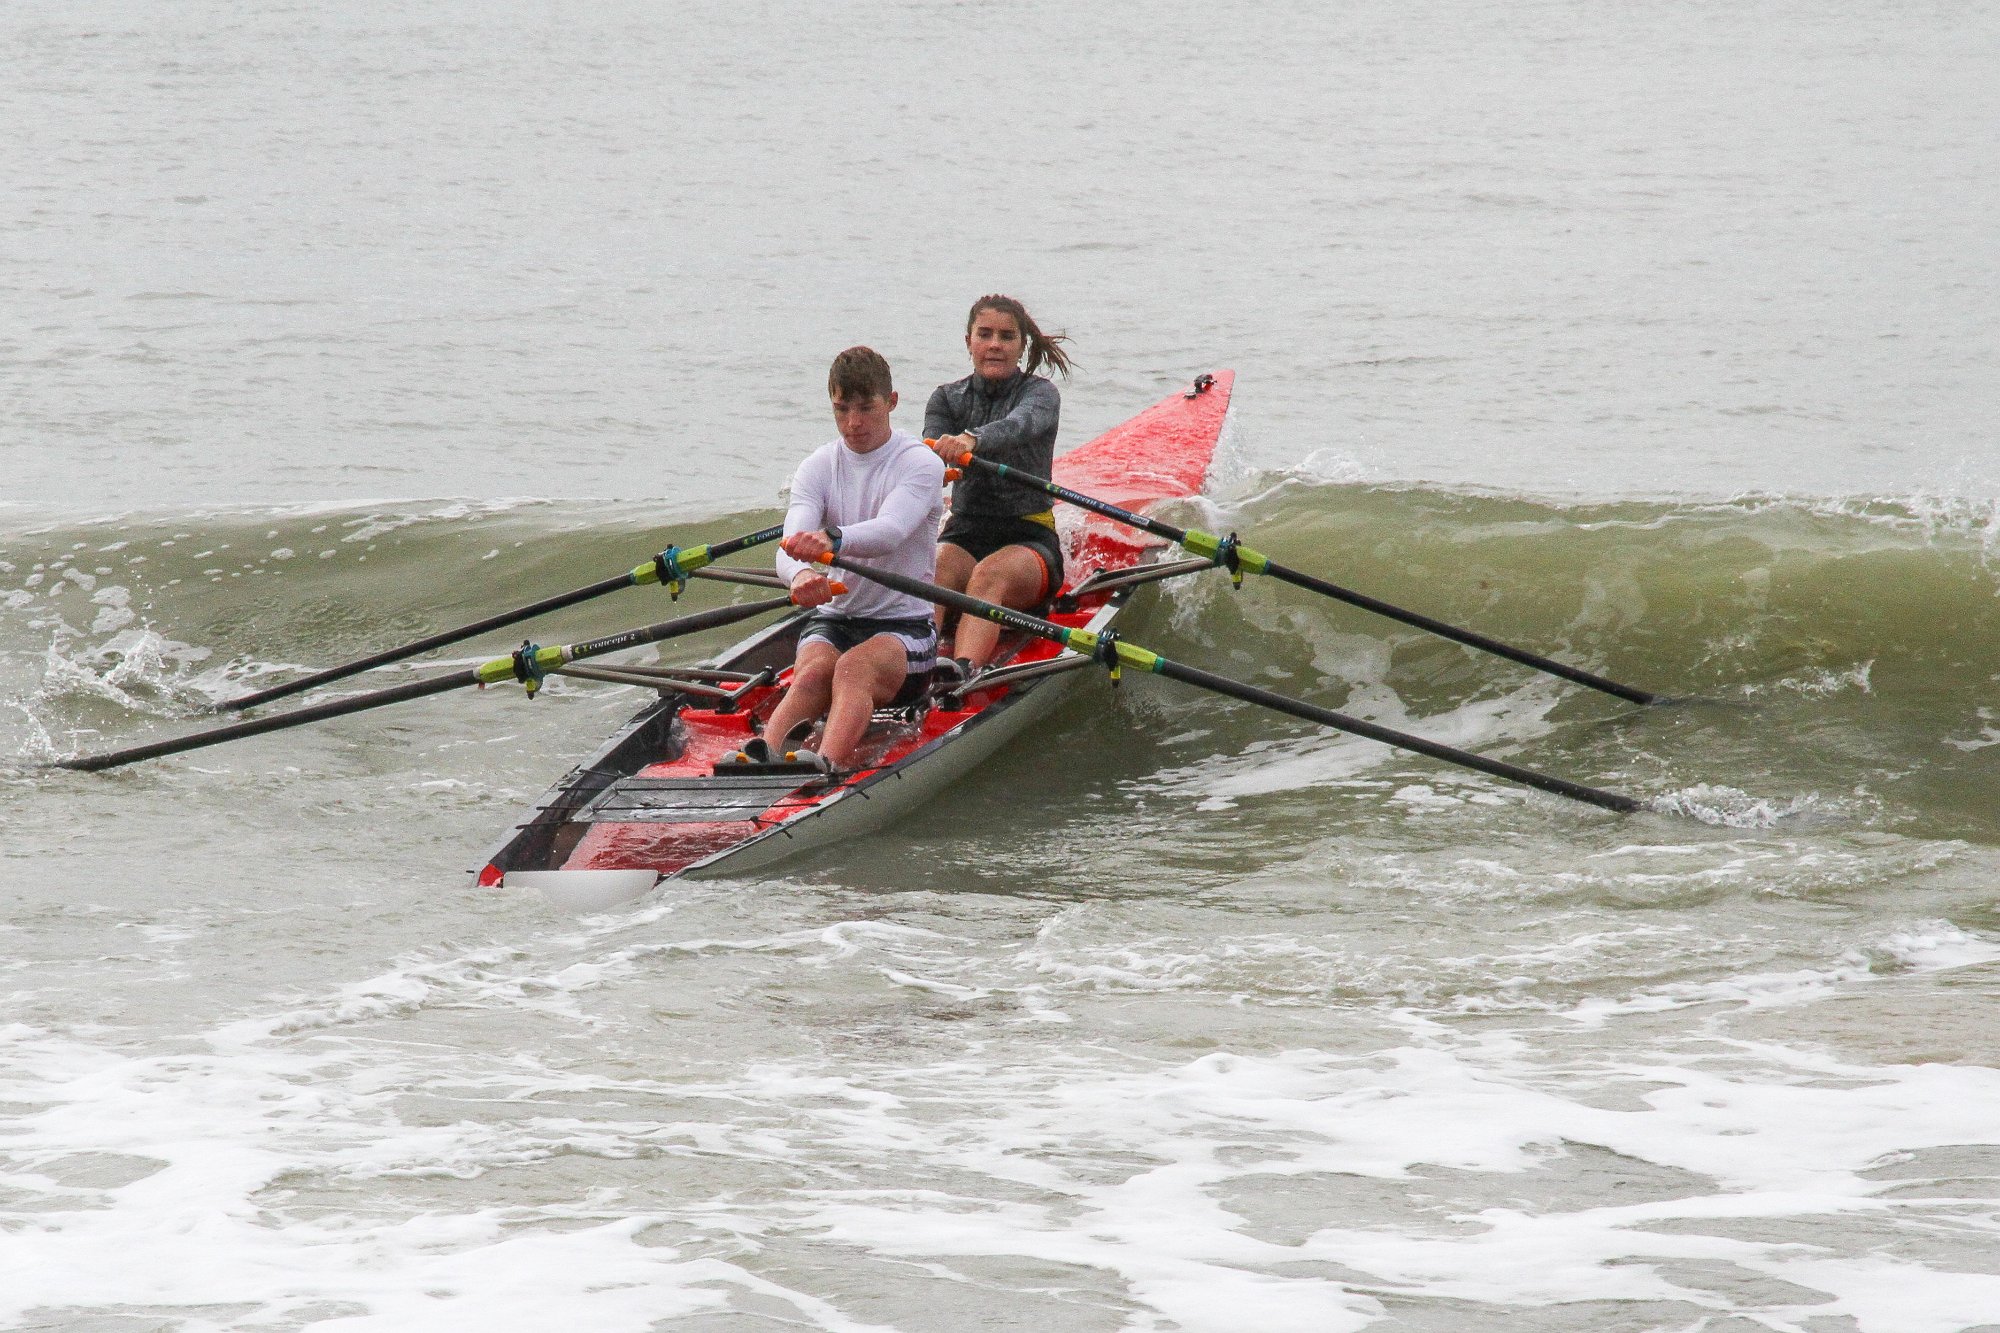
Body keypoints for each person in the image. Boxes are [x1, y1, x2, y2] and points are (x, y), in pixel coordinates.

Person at [747, 346, 946, 772]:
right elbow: (790, 544)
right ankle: (761, 755)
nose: (852, 423)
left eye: (865, 408)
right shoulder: (818, 466)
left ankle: (823, 767)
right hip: (836, 619)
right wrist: (800, 576)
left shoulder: (920, 464)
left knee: (853, 669)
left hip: (905, 628)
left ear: (891, 402)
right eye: (841, 410)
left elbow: (890, 532)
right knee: (816, 673)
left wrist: (830, 539)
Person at [924, 294, 1073, 672]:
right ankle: (911, 666)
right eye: (985, 334)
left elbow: (1020, 425)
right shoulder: (945, 398)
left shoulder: (1040, 395)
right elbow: (929, 453)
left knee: (988, 575)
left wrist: (971, 440)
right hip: (964, 533)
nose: (994, 344)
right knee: (934, 572)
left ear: (1021, 346)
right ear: (968, 341)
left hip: (1029, 538)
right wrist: (936, 466)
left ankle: (962, 673)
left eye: (1006, 337)